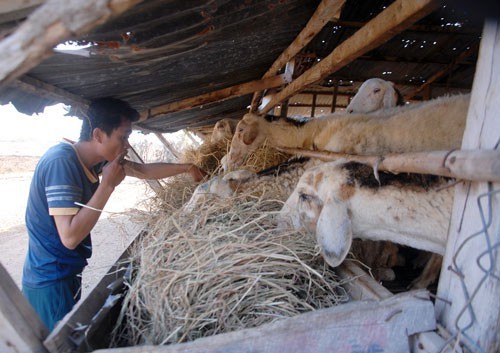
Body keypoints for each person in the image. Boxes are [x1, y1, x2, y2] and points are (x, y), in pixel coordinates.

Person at [22, 97, 205, 331]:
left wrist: (187, 167)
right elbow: (69, 237)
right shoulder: (62, 162)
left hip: (64, 273)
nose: (127, 145)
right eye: (123, 137)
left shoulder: (92, 161)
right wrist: (107, 185)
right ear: (98, 135)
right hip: (50, 281)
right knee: (62, 344)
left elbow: (142, 170)